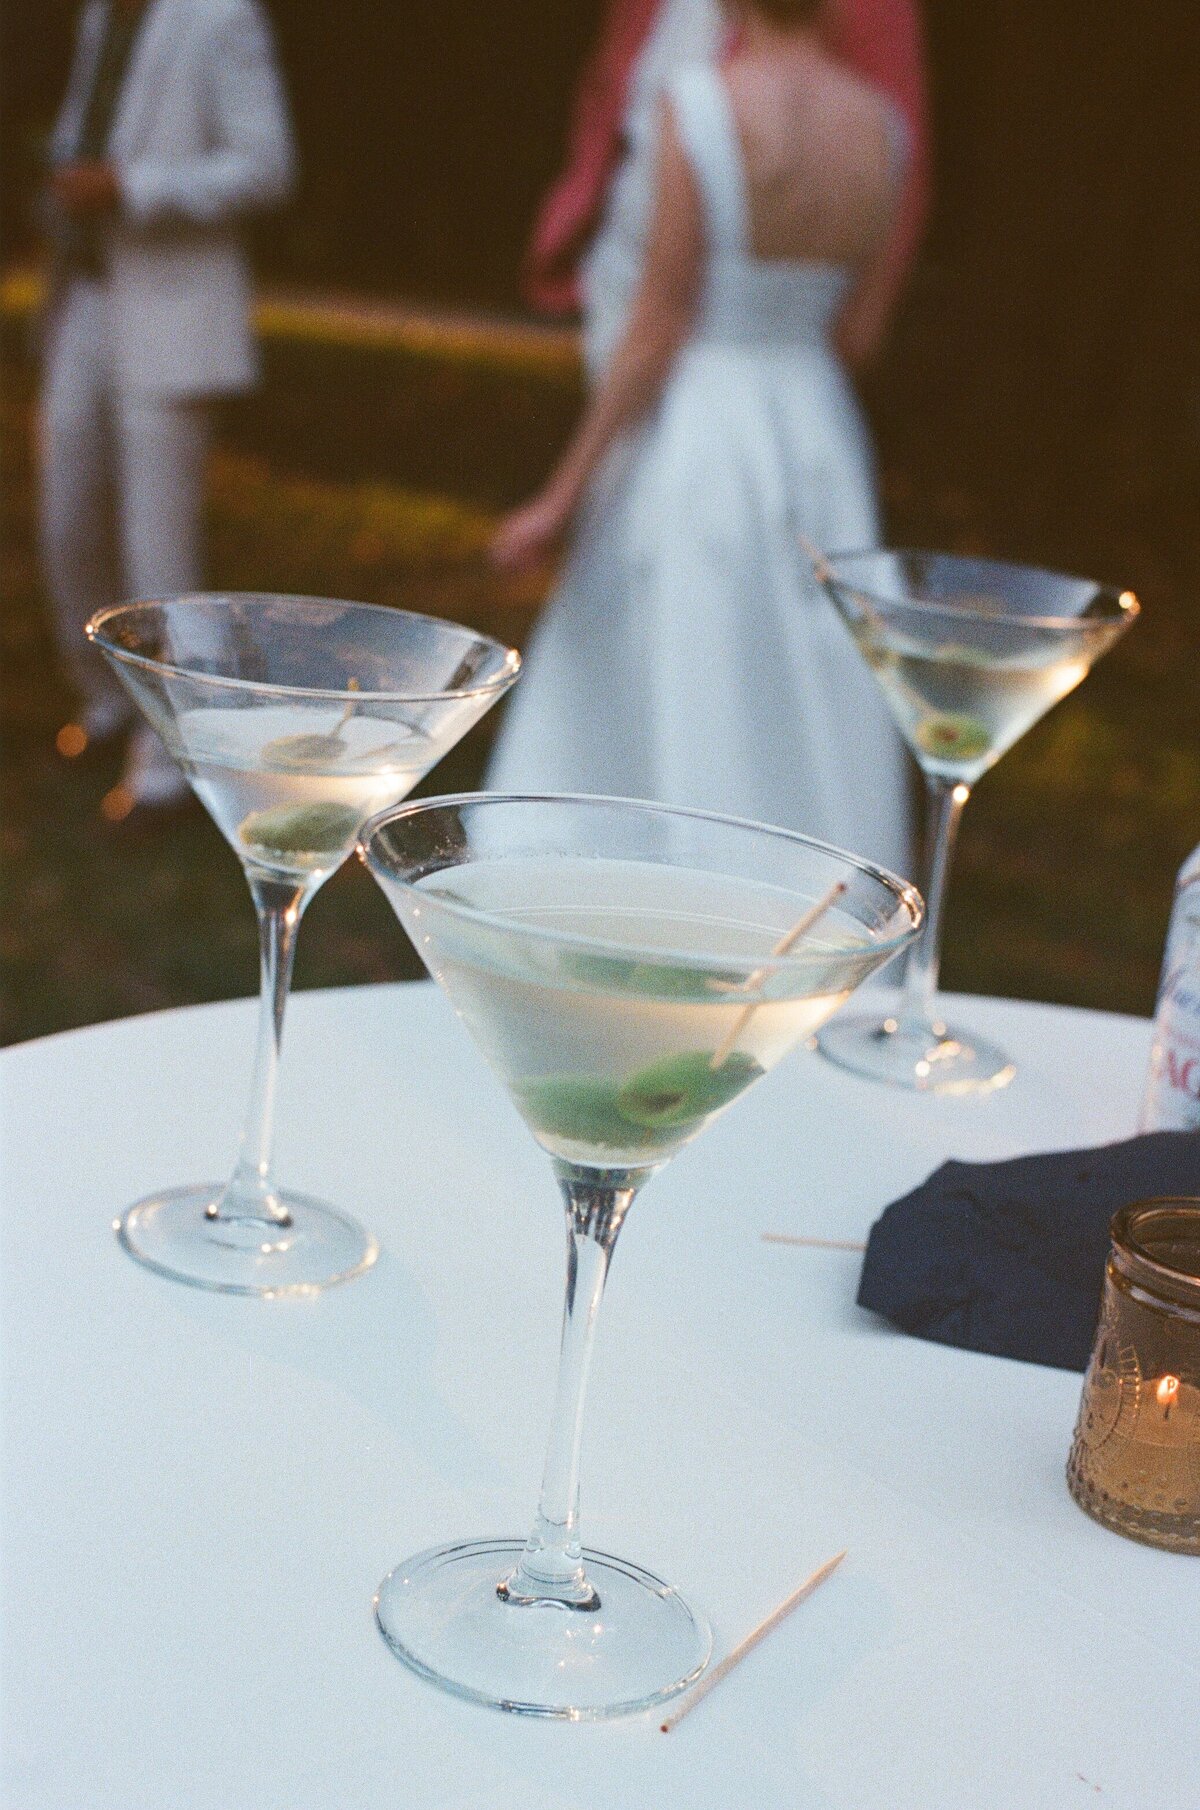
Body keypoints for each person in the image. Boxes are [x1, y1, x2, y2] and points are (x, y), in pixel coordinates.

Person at [487, 0, 916, 873]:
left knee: (687, 670)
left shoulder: (701, 104)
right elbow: (862, 333)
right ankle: (811, 894)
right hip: (819, 429)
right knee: (810, 683)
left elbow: (656, 327)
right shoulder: (885, 129)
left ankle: (654, 892)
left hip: (703, 431)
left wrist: (560, 496)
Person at [40, 0, 295, 817]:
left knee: (161, 555)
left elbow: (266, 165)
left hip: (175, 311)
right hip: (83, 299)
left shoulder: (222, 19)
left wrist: (129, 186)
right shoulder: (98, 17)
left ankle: (167, 762)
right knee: (66, 520)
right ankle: (108, 699)